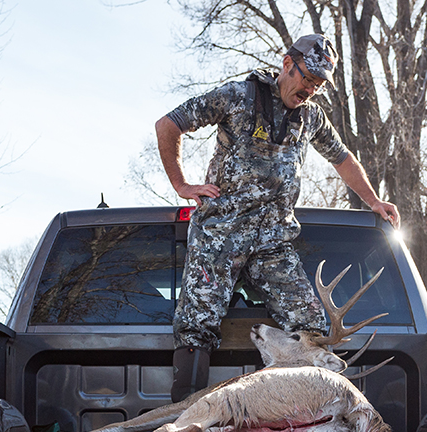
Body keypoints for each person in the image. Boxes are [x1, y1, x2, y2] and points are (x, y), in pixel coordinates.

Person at [156, 33, 400, 402]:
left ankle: (292, 414)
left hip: (273, 244)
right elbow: (169, 124)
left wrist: (373, 200)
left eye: (318, 84)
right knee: (196, 326)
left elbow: (342, 159)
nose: (310, 89)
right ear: (288, 64)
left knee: (313, 326)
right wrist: (181, 184)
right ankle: (181, 428)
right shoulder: (238, 96)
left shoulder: (311, 117)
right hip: (221, 237)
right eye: (307, 79)